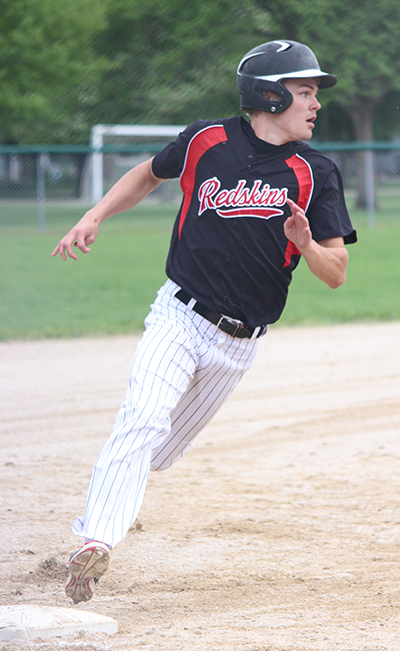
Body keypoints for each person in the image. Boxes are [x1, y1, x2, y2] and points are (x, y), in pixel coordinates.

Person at [52, 39, 357, 604]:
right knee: (142, 420)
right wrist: (94, 215)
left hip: (239, 345)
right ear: (268, 94)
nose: (316, 103)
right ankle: (96, 542)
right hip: (179, 313)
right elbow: (147, 174)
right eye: (305, 92)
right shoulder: (205, 140)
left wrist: (307, 243)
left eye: (315, 93)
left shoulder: (316, 172)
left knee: (157, 450)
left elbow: (336, 272)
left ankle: (115, 496)